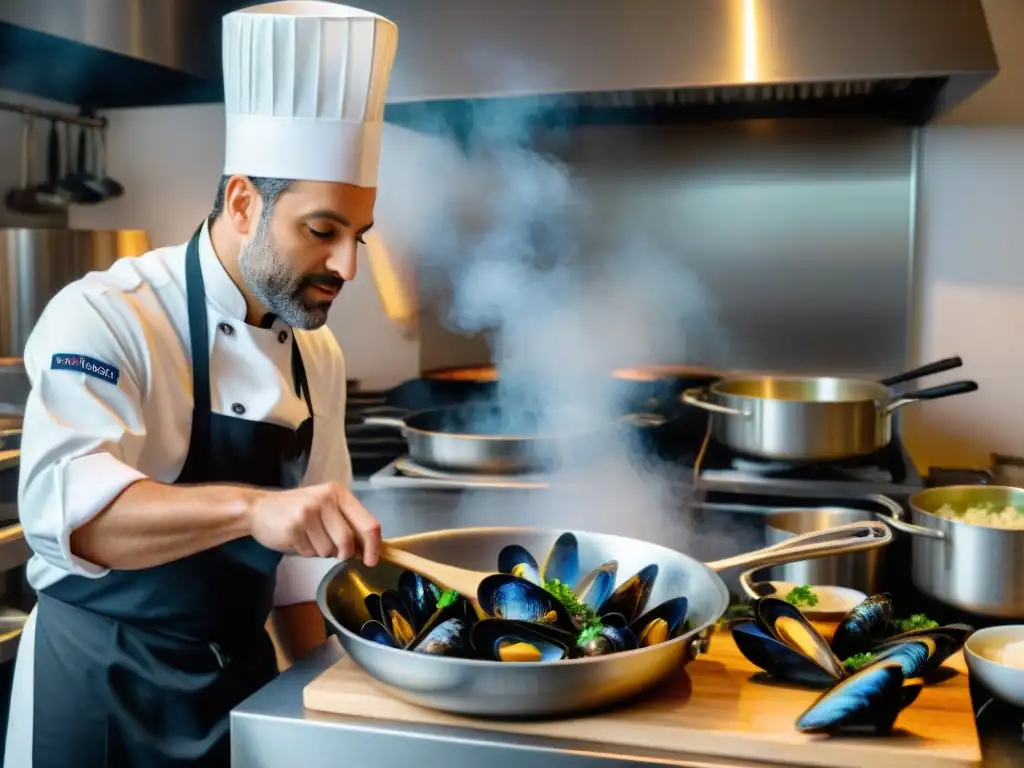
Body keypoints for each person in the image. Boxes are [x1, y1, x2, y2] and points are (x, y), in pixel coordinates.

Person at [3, 2, 399, 766]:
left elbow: (299, 573)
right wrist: (256, 508)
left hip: (237, 690)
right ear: (246, 203)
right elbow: (70, 519)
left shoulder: (317, 354)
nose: (348, 266)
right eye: (323, 231)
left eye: (360, 236)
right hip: (99, 693)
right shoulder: (107, 316)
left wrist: (317, 715)